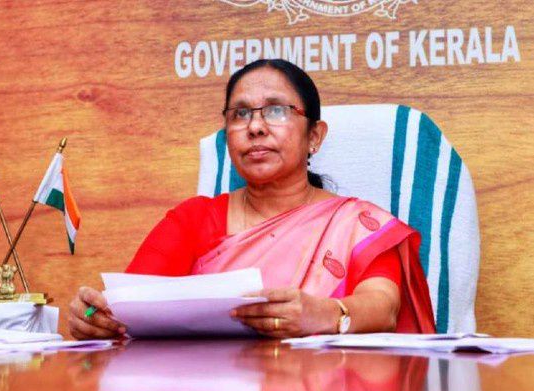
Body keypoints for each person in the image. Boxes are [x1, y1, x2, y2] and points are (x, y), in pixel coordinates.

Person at [68, 59, 436, 340]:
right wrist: (94, 318)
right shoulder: (193, 219)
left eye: (276, 110)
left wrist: (323, 314)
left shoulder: (357, 225)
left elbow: (383, 307)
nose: (255, 127)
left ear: (314, 136)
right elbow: (129, 305)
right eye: (240, 113)